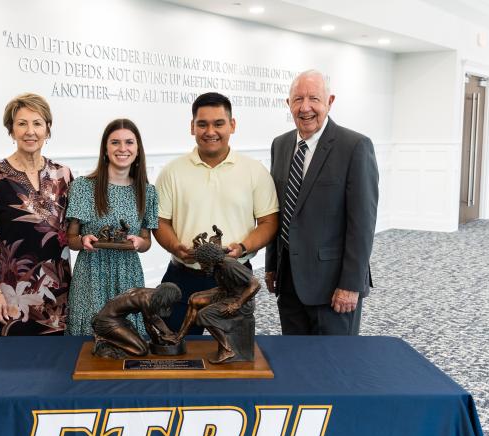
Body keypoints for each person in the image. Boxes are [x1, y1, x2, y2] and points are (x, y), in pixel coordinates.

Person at [265, 70, 379, 335]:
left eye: (314, 99)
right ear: (288, 104)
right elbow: (277, 211)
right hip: (290, 282)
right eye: (298, 99)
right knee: (296, 362)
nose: (305, 108)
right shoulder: (280, 145)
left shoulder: (355, 146)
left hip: (334, 288)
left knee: (334, 366)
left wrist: (350, 284)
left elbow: (362, 224)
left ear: (330, 101)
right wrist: (272, 267)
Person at [154, 92, 279, 334]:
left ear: (232, 125)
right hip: (182, 277)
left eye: (218, 123)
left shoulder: (255, 171)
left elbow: (268, 221)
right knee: (173, 348)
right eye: (202, 124)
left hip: (234, 277)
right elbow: (160, 221)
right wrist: (175, 247)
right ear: (192, 127)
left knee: (233, 354)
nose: (210, 131)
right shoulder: (172, 172)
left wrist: (242, 247)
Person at [0, 93, 72, 336]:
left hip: (59, 294)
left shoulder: (64, 176)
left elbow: (75, 231)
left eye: (37, 123)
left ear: (48, 130)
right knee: (15, 368)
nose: (31, 131)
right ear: (11, 130)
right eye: (22, 123)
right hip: (12, 297)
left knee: (60, 366)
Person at [65, 119, 159, 335]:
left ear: (137, 149)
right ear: (105, 149)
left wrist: (139, 242)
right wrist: (83, 240)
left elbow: (147, 242)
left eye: (129, 142)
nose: (123, 149)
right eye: (115, 142)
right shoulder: (83, 187)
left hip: (128, 274)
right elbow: (71, 239)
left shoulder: (148, 191)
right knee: (89, 342)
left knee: (130, 340)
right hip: (91, 274)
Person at [175, 243, 260, 364]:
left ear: (209, 260)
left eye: (202, 262)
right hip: (226, 292)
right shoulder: (217, 262)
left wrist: (237, 304)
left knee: (204, 315)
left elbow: (255, 284)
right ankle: (180, 336)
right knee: (194, 298)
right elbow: (218, 249)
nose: (201, 266)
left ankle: (227, 350)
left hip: (239, 300)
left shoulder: (229, 265)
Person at [91, 283, 181, 358]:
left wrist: (168, 333)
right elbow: (149, 324)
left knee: (142, 344)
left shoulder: (152, 293)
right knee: (141, 350)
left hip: (118, 320)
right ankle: (104, 339)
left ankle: (107, 338)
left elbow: (154, 319)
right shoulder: (146, 300)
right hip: (107, 322)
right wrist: (159, 341)